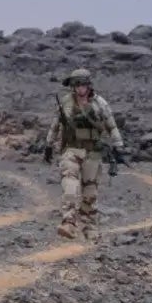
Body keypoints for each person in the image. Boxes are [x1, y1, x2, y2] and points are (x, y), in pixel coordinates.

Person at [44, 69, 125, 238]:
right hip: (71, 149)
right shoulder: (66, 103)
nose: (80, 88)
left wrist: (118, 147)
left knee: (90, 192)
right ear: (73, 87)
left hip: (92, 152)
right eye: (77, 85)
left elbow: (111, 126)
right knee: (70, 186)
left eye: (83, 84)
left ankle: (89, 226)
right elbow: (55, 125)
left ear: (88, 85)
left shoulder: (99, 104)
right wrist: (48, 146)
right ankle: (68, 222)